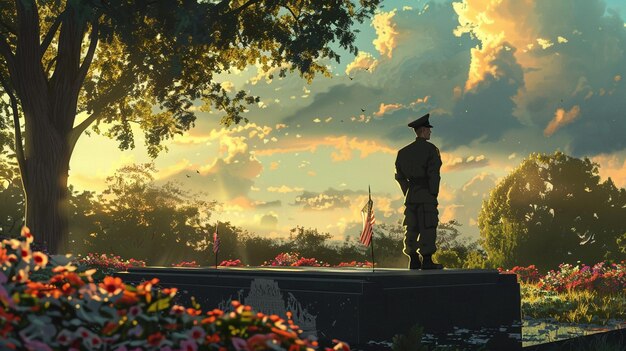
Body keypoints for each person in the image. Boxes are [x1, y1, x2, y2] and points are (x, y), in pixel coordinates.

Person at [394, 113, 443, 270]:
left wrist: (408, 192)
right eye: (428, 129)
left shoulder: (403, 152)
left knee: (412, 226)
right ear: (423, 130)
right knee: (428, 226)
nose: (430, 132)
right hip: (426, 194)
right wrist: (433, 193)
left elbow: (400, 177)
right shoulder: (431, 150)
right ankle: (427, 259)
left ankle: (413, 257)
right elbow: (434, 174)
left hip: (411, 195)